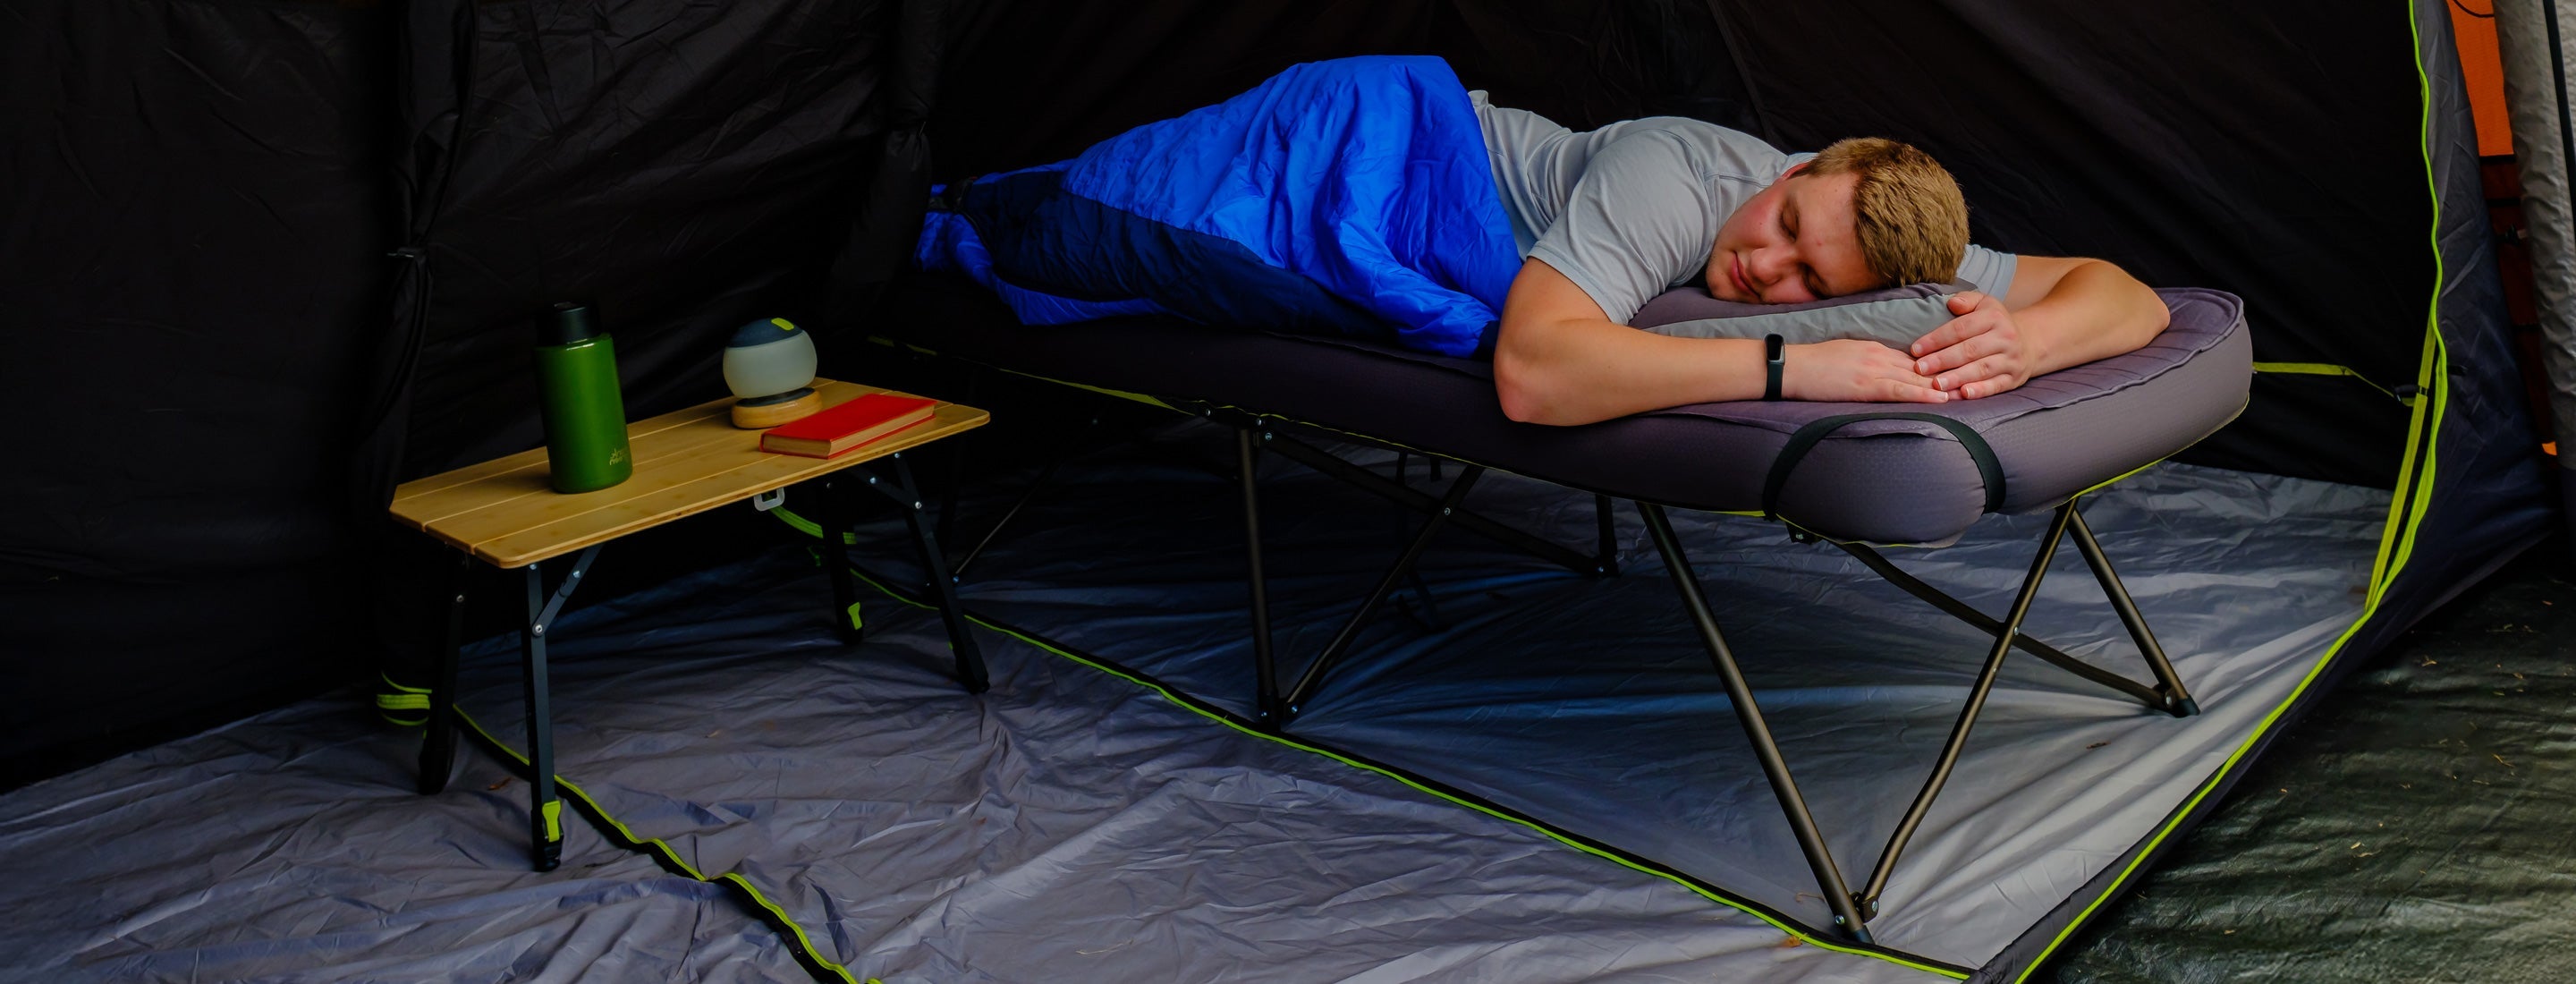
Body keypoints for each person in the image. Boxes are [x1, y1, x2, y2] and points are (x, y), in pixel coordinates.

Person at [1470, 93, 2172, 426]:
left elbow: (2133, 298)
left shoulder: (1884, 243)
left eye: (1811, 279)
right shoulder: (1673, 181)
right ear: (1793, 173)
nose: (1765, 266)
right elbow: (1532, 375)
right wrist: (1792, 367)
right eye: (1786, 223)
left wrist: (2024, 345)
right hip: (1429, 152)